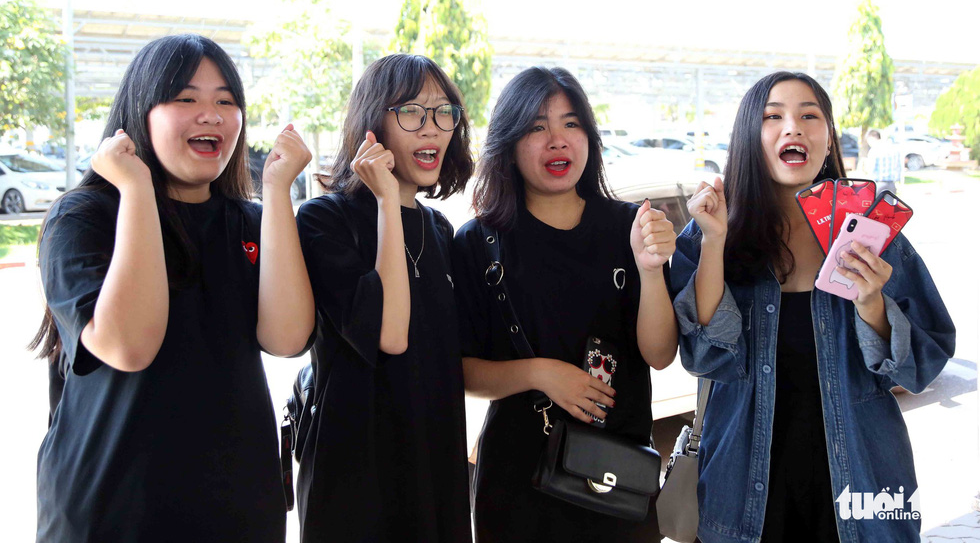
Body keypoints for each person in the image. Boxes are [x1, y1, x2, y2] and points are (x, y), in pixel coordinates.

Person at [30, 34, 315, 542]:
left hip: (238, 512)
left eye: (226, 101)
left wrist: (276, 192)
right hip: (112, 514)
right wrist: (136, 187)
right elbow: (129, 345)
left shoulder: (251, 222)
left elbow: (287, 338)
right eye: (186, 98)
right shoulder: (86, 216)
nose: (211, 114)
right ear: (140, 110)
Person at [670, 71, 955, 543]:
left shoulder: (874, 236)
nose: (793, 127)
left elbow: (923, 365)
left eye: (810, 116)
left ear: (827, 140)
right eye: (772, 116)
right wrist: (716, 242)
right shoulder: (709, 232)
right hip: (742, 495)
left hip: (863, 491)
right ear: (748, 137)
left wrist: (871, 302)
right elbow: (705, 358)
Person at [453, 66, 678, 541]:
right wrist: (540, 373)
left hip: (616, 477)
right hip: (517, 484)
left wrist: (651, 267)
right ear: (510, 145)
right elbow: (462, 371)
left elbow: (660, 354)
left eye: (571, 123)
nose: (558, 140)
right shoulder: (480, 241)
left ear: (590, 138)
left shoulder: (629, 227)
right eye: (537, 127)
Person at [295, 54, 474, 543]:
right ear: (374, 121)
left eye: (444, 113)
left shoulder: (441, 230)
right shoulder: (323, 220)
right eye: (413, 112)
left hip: (435, 469)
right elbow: (390, 334)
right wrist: (386, 202)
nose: (433, 129)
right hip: (357, 480)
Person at [866, 129, 903, 194]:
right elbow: (898, 166)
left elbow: (871, 169)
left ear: (871, 138)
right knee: (889, 204)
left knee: (877, 203)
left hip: (878, 184)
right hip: (891, 184)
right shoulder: (892, 148)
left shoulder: (874, 150)